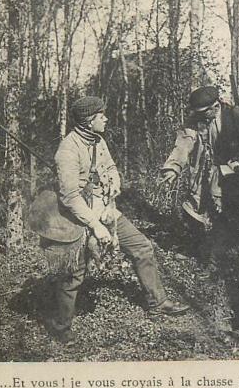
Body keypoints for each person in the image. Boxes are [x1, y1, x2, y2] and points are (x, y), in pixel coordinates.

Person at [49, 96, 188, 343]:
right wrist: (95, 226)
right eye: (101, 115)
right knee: (73, 273)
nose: (106, 118)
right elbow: (70, 197)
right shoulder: (68, 151)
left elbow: (111, 167)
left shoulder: (98, 141)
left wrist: (115, 184)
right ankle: (61, 327)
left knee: (142, 247)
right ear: (88, 121)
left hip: (106, 210)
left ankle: (158, 301)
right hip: (78, 217)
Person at [160, 86, 239, 259]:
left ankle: (223, 257)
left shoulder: (235, 116)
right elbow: (184, 143)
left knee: (226, 215)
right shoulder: (195, 120)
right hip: (202, 171)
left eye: (203, 113)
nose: (199, 116)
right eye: (197, 113)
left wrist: (238, 163)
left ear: (215, 107)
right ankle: (197, 249)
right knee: (192, 208)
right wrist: (173, 167)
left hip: (229, 173)